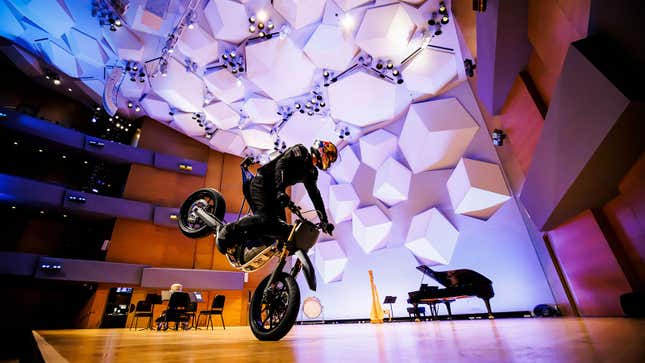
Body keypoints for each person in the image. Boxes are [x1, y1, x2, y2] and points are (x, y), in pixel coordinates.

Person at [216, 140, 338, 256]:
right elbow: (281, 165)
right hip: (263, 183)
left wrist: (325, 221)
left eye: (330, 159)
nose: (328, 160)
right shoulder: (301, 151)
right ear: (322, 149)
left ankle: (243, 244)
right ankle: (228, 230)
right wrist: (281, 189)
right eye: (329, 156)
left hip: (277, 193)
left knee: (280, 231)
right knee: (264, 220)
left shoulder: (311, 173)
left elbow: (315, 195)